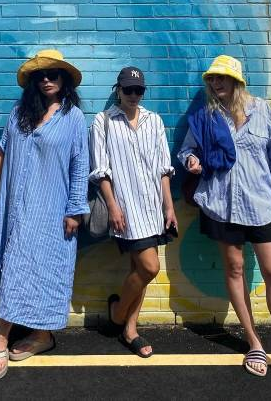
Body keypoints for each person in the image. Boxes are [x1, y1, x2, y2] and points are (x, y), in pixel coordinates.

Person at [179, 54, 271, 397]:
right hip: (222, 206)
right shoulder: (204, 117)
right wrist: (191, 160)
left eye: (222, 78)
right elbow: (186, 151)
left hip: (260, 205)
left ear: (237, 81)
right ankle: (253, 342)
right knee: (235, 269)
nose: (215, 83)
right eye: (212, 79)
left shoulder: (261, 110)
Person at [0, 49, 89, 382]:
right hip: (13, 206)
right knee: (16, 264)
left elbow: (80, 165)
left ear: (64, 80)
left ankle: (15, 336)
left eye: (53, 74)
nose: (46, 80)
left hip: (50, 209)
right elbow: (2, 151)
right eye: (40, 75)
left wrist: (75, 208)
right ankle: (26, 336)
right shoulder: (18, 114)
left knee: (41, 270)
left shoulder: (73, 118)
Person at [89, 67, 177, 358]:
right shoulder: (103, 122)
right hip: (125, 210)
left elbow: (164, 168)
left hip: (152, 208)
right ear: (118, 90)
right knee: (150, 268)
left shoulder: (154, 121)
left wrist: (169, 207)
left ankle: (129, 328)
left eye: (139, 90)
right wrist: (113, 206)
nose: (133, 96)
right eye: (128, 90)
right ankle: (117, 314)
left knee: (139, 269)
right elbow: (101, 171)